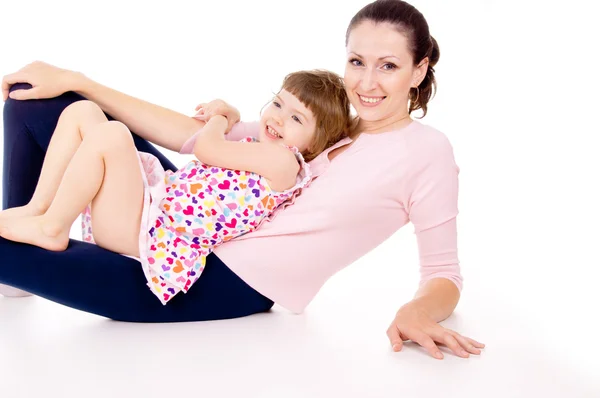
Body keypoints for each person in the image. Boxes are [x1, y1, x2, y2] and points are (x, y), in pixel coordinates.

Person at [0, 0, 485, 359]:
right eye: (357, 62)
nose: (366, 83)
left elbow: (444, 272)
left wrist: (418, 310)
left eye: (390, 66)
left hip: (213, 279)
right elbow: (194, 139)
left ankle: (29, 248)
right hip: (187, 215)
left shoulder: (428, 153)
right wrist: (79, 80)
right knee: (36, 98)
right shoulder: (327, 125)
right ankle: (33, 229)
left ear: (419, 71)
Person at [0, 69, 351, 305]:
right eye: (277, 104)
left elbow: (207, 147)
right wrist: (228, 117)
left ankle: (53, 227)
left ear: (314, 142)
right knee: (83, 113)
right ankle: (38, 209)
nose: (276, 118)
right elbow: (209, 144)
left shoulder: (284, 162)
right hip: (151, 208)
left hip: (151, 237)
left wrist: (221, 117)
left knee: (112, 134)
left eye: (296, 118)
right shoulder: (262, 146)